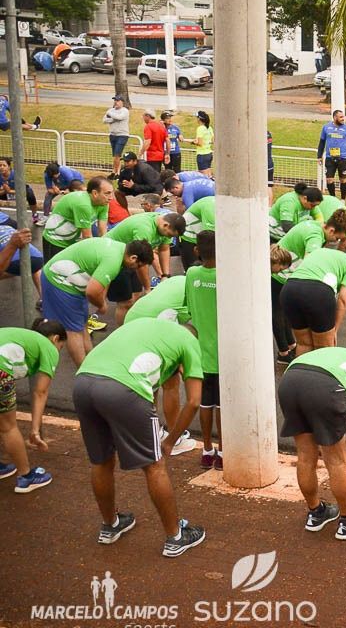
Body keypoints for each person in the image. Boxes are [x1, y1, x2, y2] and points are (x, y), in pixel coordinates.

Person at [72, 319, 206, 557]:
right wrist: (169, 441)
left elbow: (151, 385)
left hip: (83, 382)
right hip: (122, 388)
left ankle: (110, 526)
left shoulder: (149, 328)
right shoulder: (189, 341)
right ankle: (176, 538)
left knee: (101, 461)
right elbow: (194, 400)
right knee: (155, 466)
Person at [278, 347, 346, 541]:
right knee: (336, 462)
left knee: (305, 456)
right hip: (326, 388)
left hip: (290, 380)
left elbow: (343, 410)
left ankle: (316, 513)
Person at [41, 238, 153, 367]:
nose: (135, 269)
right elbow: (92, 292)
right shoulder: (113, 260)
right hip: (59, 281)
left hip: (72, 281)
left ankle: (92, 363)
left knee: (82, 325)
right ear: (133, 258)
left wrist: (102, 299)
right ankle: (83, 370)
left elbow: (103, 280)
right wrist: (101, 304)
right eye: (138, 266)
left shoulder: (120, 249)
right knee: (73, 330)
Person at [0, 319, 66, 494]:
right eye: (61, 346)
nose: (59, 351)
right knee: (8, 427)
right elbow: (40, 392)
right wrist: (35, 430)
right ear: (55, 339)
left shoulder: (22, 337)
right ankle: (26, 477)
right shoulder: (48, 346)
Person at [106, 211, 186, 324]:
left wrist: (165, 275)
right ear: (166, 225)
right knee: (125, 302)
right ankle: (123, 333)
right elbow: (141, 264)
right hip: (114, 259)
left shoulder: (164, 228)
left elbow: (164, 249)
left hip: (131, 259)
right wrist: (148, 289)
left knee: (137, 295)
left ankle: (133, 325)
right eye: (170, 235)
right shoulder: (144, 228)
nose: (169, 237)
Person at [182, 231, 220, 468]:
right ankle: (224, 452)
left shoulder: (191, 273)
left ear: (197, 251)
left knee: (205, 403)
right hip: (224, 353)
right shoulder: (226, 276)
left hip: (199, 351)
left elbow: (185, 308)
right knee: (223, 405)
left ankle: (206, 449)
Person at [279, 245, 346, 355]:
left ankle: (300, 372)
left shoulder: (320, 252)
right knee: (324, 349)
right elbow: (344, 298)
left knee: (304, 344)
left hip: (290, 289)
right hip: (317, 292)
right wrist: (334, 330)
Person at [42, 177, 114, 263]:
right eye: (107, 193)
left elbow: (102, 232)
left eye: (111, 193)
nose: (111, 198)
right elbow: (87, 237)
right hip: (55, 240)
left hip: (72, 240)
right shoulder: (83, 205)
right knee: (53, 272)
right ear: (95, 193)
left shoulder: (104, 203)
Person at [317, 109, 346, 199]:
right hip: (330, 157)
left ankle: (343, 199)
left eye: (343, 117)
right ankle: (333, 198)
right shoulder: (326, 127)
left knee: (343, 179)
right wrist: (319, 156)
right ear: (335, 117)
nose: (343, 119)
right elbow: (322, 142)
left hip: (343, 158)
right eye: (341, 117)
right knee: (329, 180)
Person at [179, 195, 215, 270]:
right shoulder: (211, 209)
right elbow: (209, 236)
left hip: (202, 235)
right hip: (189, 236)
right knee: (193, 270)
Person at [0, 156, 38, 223]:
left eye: (4, 165)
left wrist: (9, 191)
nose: (2, 167)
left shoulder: (16, 174)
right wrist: (5, 191)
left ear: (9, 167)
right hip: (6, 193)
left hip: (19, 192)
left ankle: (34, 214)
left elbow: (22, 191)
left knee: (30, 194)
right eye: (0, 165)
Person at [103, 96, 130, 176]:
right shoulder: (111, 110)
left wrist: (110, 115)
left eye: (118, 100)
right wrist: (113, 119)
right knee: (115, 155)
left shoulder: (125, 111)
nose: (116, 102)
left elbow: (120, 117)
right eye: (115, 100)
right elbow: (104, 120)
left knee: (117, 154)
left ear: (122, 102)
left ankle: (114, 172)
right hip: (112, 135)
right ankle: (117, 171)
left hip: (122, 135)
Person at [189, 110, 214, 175]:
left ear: (199, 119)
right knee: (209, 174)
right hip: (209, 154)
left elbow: (200, 143)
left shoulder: (200, 128)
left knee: (203, 176)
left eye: (197, 118)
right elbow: (212, 141)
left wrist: (193, 142)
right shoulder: (209, 128)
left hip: (202, 155)